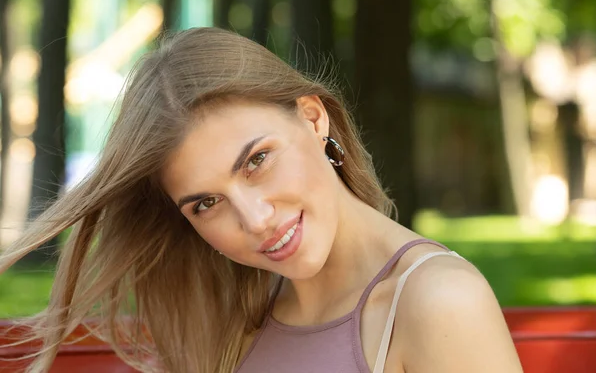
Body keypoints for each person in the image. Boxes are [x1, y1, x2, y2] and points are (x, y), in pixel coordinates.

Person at [0, 27, 523, 373]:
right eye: (205, 203)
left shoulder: (436, 302)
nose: (255, 220)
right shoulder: (233, 311)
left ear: (314, 119)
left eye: (256, 160)